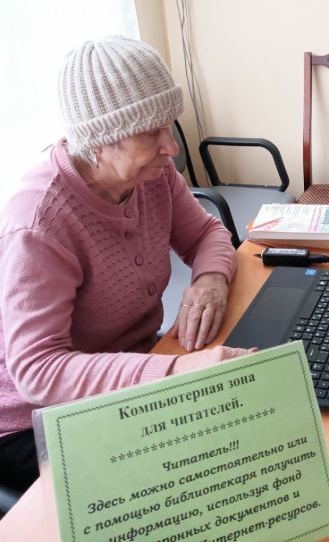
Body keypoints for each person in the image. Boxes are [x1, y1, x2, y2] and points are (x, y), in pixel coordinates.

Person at [0, 35, 253, 495]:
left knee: (242, 433)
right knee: (194, 481)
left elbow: (207, 234)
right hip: (33, 419)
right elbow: (38, 371)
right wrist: (175, 374)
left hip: (132, 368)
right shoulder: (39, 221)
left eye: (168, 127)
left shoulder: (152, 176)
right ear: (98, 143)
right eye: (150, 134)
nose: (171, 147)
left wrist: (211, 280)